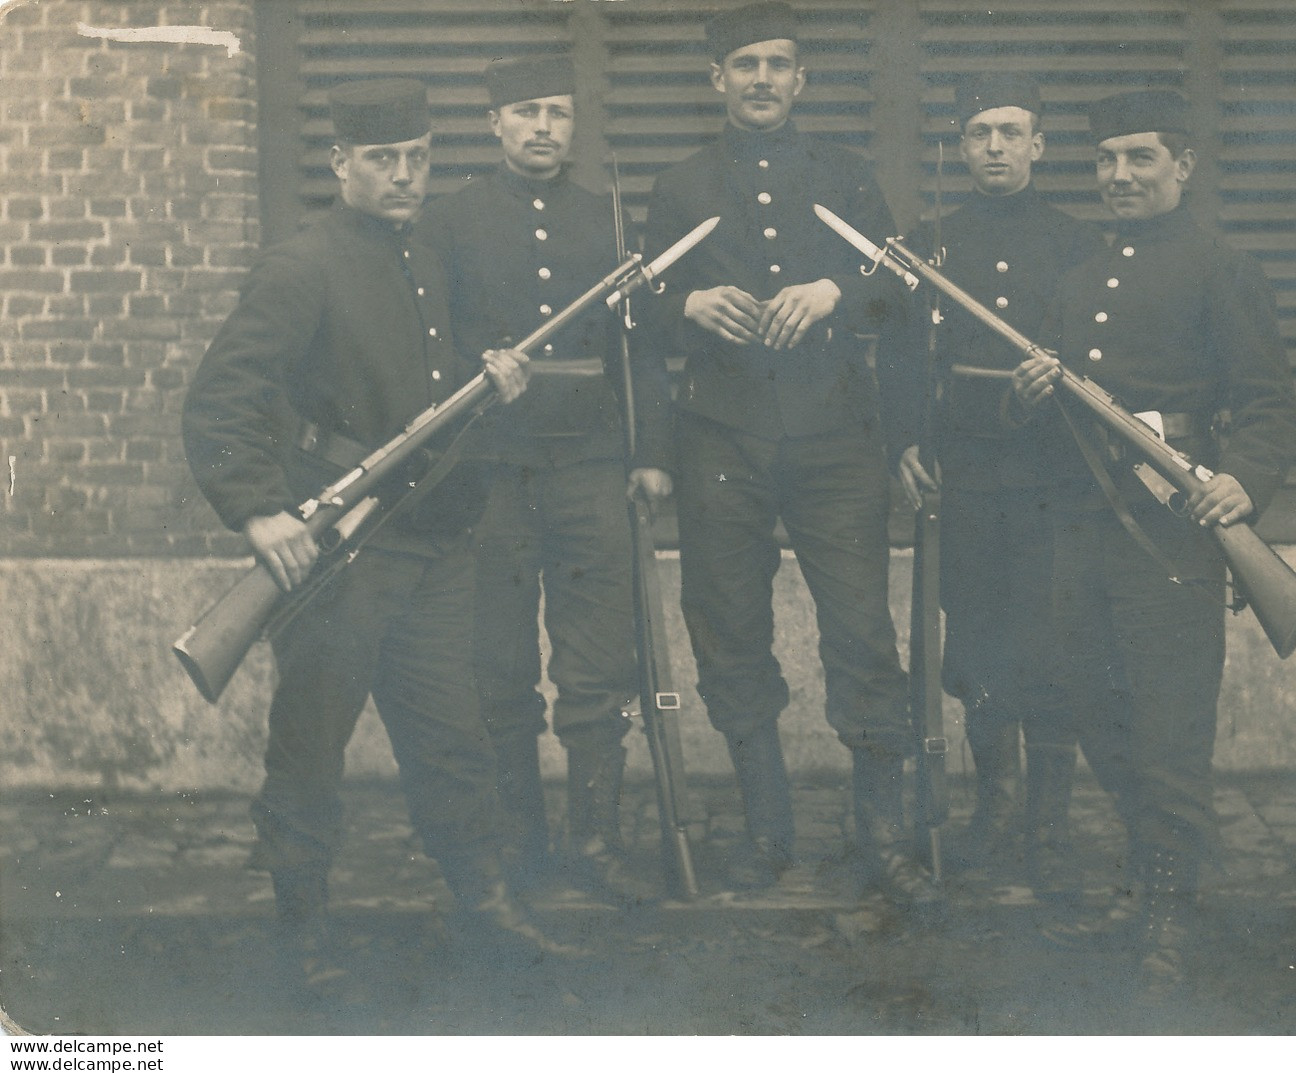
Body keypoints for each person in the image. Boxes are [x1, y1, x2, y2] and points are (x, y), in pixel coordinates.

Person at [182, 78, 566, 992]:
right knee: (311, 741)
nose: (405, 177)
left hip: (427, 541)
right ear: (340, 163)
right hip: (337, 553)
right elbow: (220, 399)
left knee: (451, 739)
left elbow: (430, 392)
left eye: (420, 159)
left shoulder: (426, 252)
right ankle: (301, 934)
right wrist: (259, 509)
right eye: (384, 160)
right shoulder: (300, 264)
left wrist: (497, 377)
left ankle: (487, 911)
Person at [641, 1, 936, 910]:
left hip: (833, 435)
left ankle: (877, 828)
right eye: (745, 65)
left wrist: (835, 291)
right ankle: (764, 825)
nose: (762, 79)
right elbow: (636, 313)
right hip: (718, 435)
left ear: (800, 80)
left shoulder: (845, 176)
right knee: (727, 624)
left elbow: (900, 290)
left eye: (778, 64)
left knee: (859, 629)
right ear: (716, 80)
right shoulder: (679, 184)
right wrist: (683, 307)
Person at [1010, 89, 1296, 994]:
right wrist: (1031, 393)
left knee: (1170, 724)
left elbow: (1265, 402)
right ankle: (1149, 877)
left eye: (1139, 158)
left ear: (1182, 167)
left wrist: (1238, 481)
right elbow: (1057, 420)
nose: (1120, 175)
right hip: (1083, 527)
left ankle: (1169, 901)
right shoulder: (1077, 276)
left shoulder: (1221, 267)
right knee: (1093, 709)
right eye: (1105, 160)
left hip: (1170, 533)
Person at [416, 57, 674, 905]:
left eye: (559, 114)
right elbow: (427, 339)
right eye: (526, 112)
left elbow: (638, 348)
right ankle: (518, 845)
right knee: (497, 661)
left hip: (590, 468)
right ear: (493, 122)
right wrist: (471, 366)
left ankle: (592, 841)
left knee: (596, 659)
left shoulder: (605, 217)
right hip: (491, 471)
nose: (543, 129)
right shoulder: (451, 220)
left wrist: (648, 452)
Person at [877, 74, 1099, 891]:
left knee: (1047, 634)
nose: (995, 148)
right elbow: (899, 355)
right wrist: (903, 439)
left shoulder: (1079, 243)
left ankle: (1045, 824)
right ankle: (995, 809)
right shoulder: (929, 240)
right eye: (978, 133)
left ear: (1038, 145)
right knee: (973, 633)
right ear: (959, 147)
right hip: (963, 468)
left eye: (1011, 131)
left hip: (1049, 467)